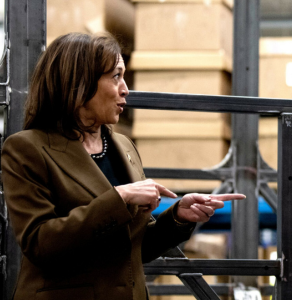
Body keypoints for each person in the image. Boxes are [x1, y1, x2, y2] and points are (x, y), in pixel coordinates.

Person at [1, 32, 246, 300]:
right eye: (116, 76)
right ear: (79, 82)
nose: (125, 88)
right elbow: (40, 244)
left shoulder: (124, 147)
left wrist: (177, 218)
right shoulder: (26, 149)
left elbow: (131, 248)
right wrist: (120, 197)